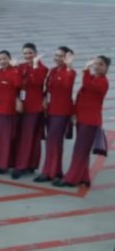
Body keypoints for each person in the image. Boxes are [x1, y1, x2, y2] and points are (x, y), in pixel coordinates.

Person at [55, 56, 110, 187]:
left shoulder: (103, 82)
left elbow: (88, 86)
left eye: (101, 64)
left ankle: (71, 179)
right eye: (96, 64)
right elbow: (80, 97)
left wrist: (85, 70)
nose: (97, 66)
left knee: (80, 150)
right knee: (82, 150)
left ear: (107, 68)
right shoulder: (92, 78)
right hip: (82, 118)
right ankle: (84, 177)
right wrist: (74, 113)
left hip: (90, 121)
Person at [36, 47, 76, 183]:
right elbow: (47, 88)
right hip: (51, 110)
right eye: (57, 55)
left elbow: (67, 85)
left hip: (62, 111)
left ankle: (50, 172)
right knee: (51, 142)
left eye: (62, 56)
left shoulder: (70, 72)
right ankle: (54, 170)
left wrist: (69, 67)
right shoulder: (53, 71)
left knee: (54, 141)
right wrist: (44, 98)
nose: (58, 58)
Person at [13, 43, 49, 179]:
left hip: (34, 108)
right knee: (21, 137)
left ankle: (24, 166)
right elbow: (16, 84)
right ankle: (24, 164)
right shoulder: (21, 67)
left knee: (29, 138)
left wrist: (34, 66)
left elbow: (36, 82)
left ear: (35, 53)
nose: (27, 56)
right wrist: (17, 100)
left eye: (30, 53)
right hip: (21, 106)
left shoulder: (43, 68)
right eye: (25, 53)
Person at [0, 50, 22, 175]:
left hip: (8, 110)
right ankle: (0, 162)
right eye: (0, 59)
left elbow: (18, 84)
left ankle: (2, 165)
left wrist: (16, 68)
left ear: (9, 59)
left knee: (5, 138)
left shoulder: (14, 71)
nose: (2, 61)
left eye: (5, 59)